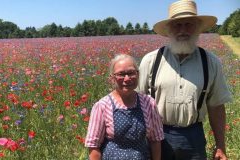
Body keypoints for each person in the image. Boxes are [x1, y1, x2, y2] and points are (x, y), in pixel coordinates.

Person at [137, 0, 232, 160]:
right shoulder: (151, 60)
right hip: (157, 135)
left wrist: (220, 146)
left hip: (194, 136)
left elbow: (216, 107)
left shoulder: (211, 62)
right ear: (168, 29)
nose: (183, 30)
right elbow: (136, 103)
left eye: (188, 24)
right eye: (177, 25)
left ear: (197, 28)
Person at [85, 54, 164, 160]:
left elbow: (155, 140)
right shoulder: (102, 106)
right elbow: (94, 146)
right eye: (121, 74)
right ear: (112, 78)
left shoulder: (149, 103)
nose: (127, 79)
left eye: (131, 73)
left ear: (138, 74)